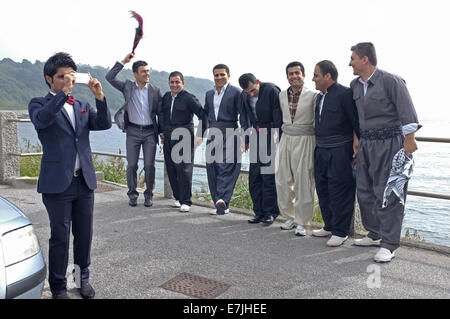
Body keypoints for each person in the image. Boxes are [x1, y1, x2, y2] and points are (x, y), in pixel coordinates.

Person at [28, 52, 112, 299]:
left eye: (70, 76)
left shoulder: (82, 106)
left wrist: (100, 97)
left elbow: (105, 124)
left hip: (83, 181)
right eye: (61, 77)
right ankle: (58, 287)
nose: (66, 80)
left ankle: (81, 279)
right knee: (60, 238)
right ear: (49, 79)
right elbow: (42, 121)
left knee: (84, 236)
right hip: (57, 184)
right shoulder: (39, 103)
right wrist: (64, 94)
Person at [349, 42, 420, 262]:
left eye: (352, 58)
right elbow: (358, 117)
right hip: (366, 145)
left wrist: (409, 141)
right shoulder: (354, 85)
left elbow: (407, 111)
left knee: (389, 193)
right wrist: (356, 140)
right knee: (364, 190)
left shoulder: (391, 81)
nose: (349, 62)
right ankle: (375, 233)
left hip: (391, 144)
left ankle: (389, 244)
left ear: (364, 59)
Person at [311, 60, 359, 246]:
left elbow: (356, 121)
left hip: (340, 149)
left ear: (327, 76)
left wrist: (356, 141)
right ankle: (329, 225)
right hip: (321, 149)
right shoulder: (320, 97)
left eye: (316, 75)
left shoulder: (345, 94)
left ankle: (341, 231)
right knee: (323, 188)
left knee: (340, 190)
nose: (313, 79)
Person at [105, 53, 162, 207]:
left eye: (148, 71)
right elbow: (109, 77)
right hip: (133, 132)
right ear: (135, 74)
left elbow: (160, 113)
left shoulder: (155, 90)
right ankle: (132, 194)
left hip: (150, 132)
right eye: (143, 71)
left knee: (150, 165)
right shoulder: (128, 86)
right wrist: (123, 61)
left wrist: (162, 132)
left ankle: (149, 195)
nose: (147, 74)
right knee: (131, 165)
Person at [275, 62, 318, 236]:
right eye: (290, 74)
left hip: (306, 137)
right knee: (282, 178)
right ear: (287, 77)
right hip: (286, 137)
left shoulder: (313, 95)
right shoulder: (281, 95)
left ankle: (303, 221)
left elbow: (317, 119)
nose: (294, 76)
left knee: (303, 180)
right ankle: (289, 216)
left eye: (297, 73)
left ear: (304, 75)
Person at [160, 71, 207, 212]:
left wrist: (200, 136)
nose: (174, 85)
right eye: (172, 82)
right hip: (168, 138)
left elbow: (203, 115)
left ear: (182, 83)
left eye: (177, 82)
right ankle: (178, 198)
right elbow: (162, 115)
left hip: (184, 138)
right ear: (169, 83)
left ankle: (186, 201)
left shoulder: (189, 98)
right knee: (172, 169)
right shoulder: (166, 97)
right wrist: (161, 132)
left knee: (184, 170)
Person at [239, 73, 282, 224]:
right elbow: (243, 117)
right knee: (254, 176)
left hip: (271, 135)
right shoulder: (244, 95)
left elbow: (279, 115)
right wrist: (245, 138)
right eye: (247, 92)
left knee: (268, 176)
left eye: (253, 90)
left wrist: (277, 139)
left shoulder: (271, 90)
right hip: (256, 135)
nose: (251, 94)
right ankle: (258, 211)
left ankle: (270, 212)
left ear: (257, 82)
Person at [202, 64, 242, 215]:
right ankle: (219, 203)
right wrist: (200, 135)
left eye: (222, 74)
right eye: (216, 75)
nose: (219, 78)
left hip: (231, 131)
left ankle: (223, 199)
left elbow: (243, 115)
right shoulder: (209, 94)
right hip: (213, 132)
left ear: (228, 75)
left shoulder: (236, 92)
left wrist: (244, 136)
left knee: (226, 166)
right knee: (212, 167)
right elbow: (205, 114)